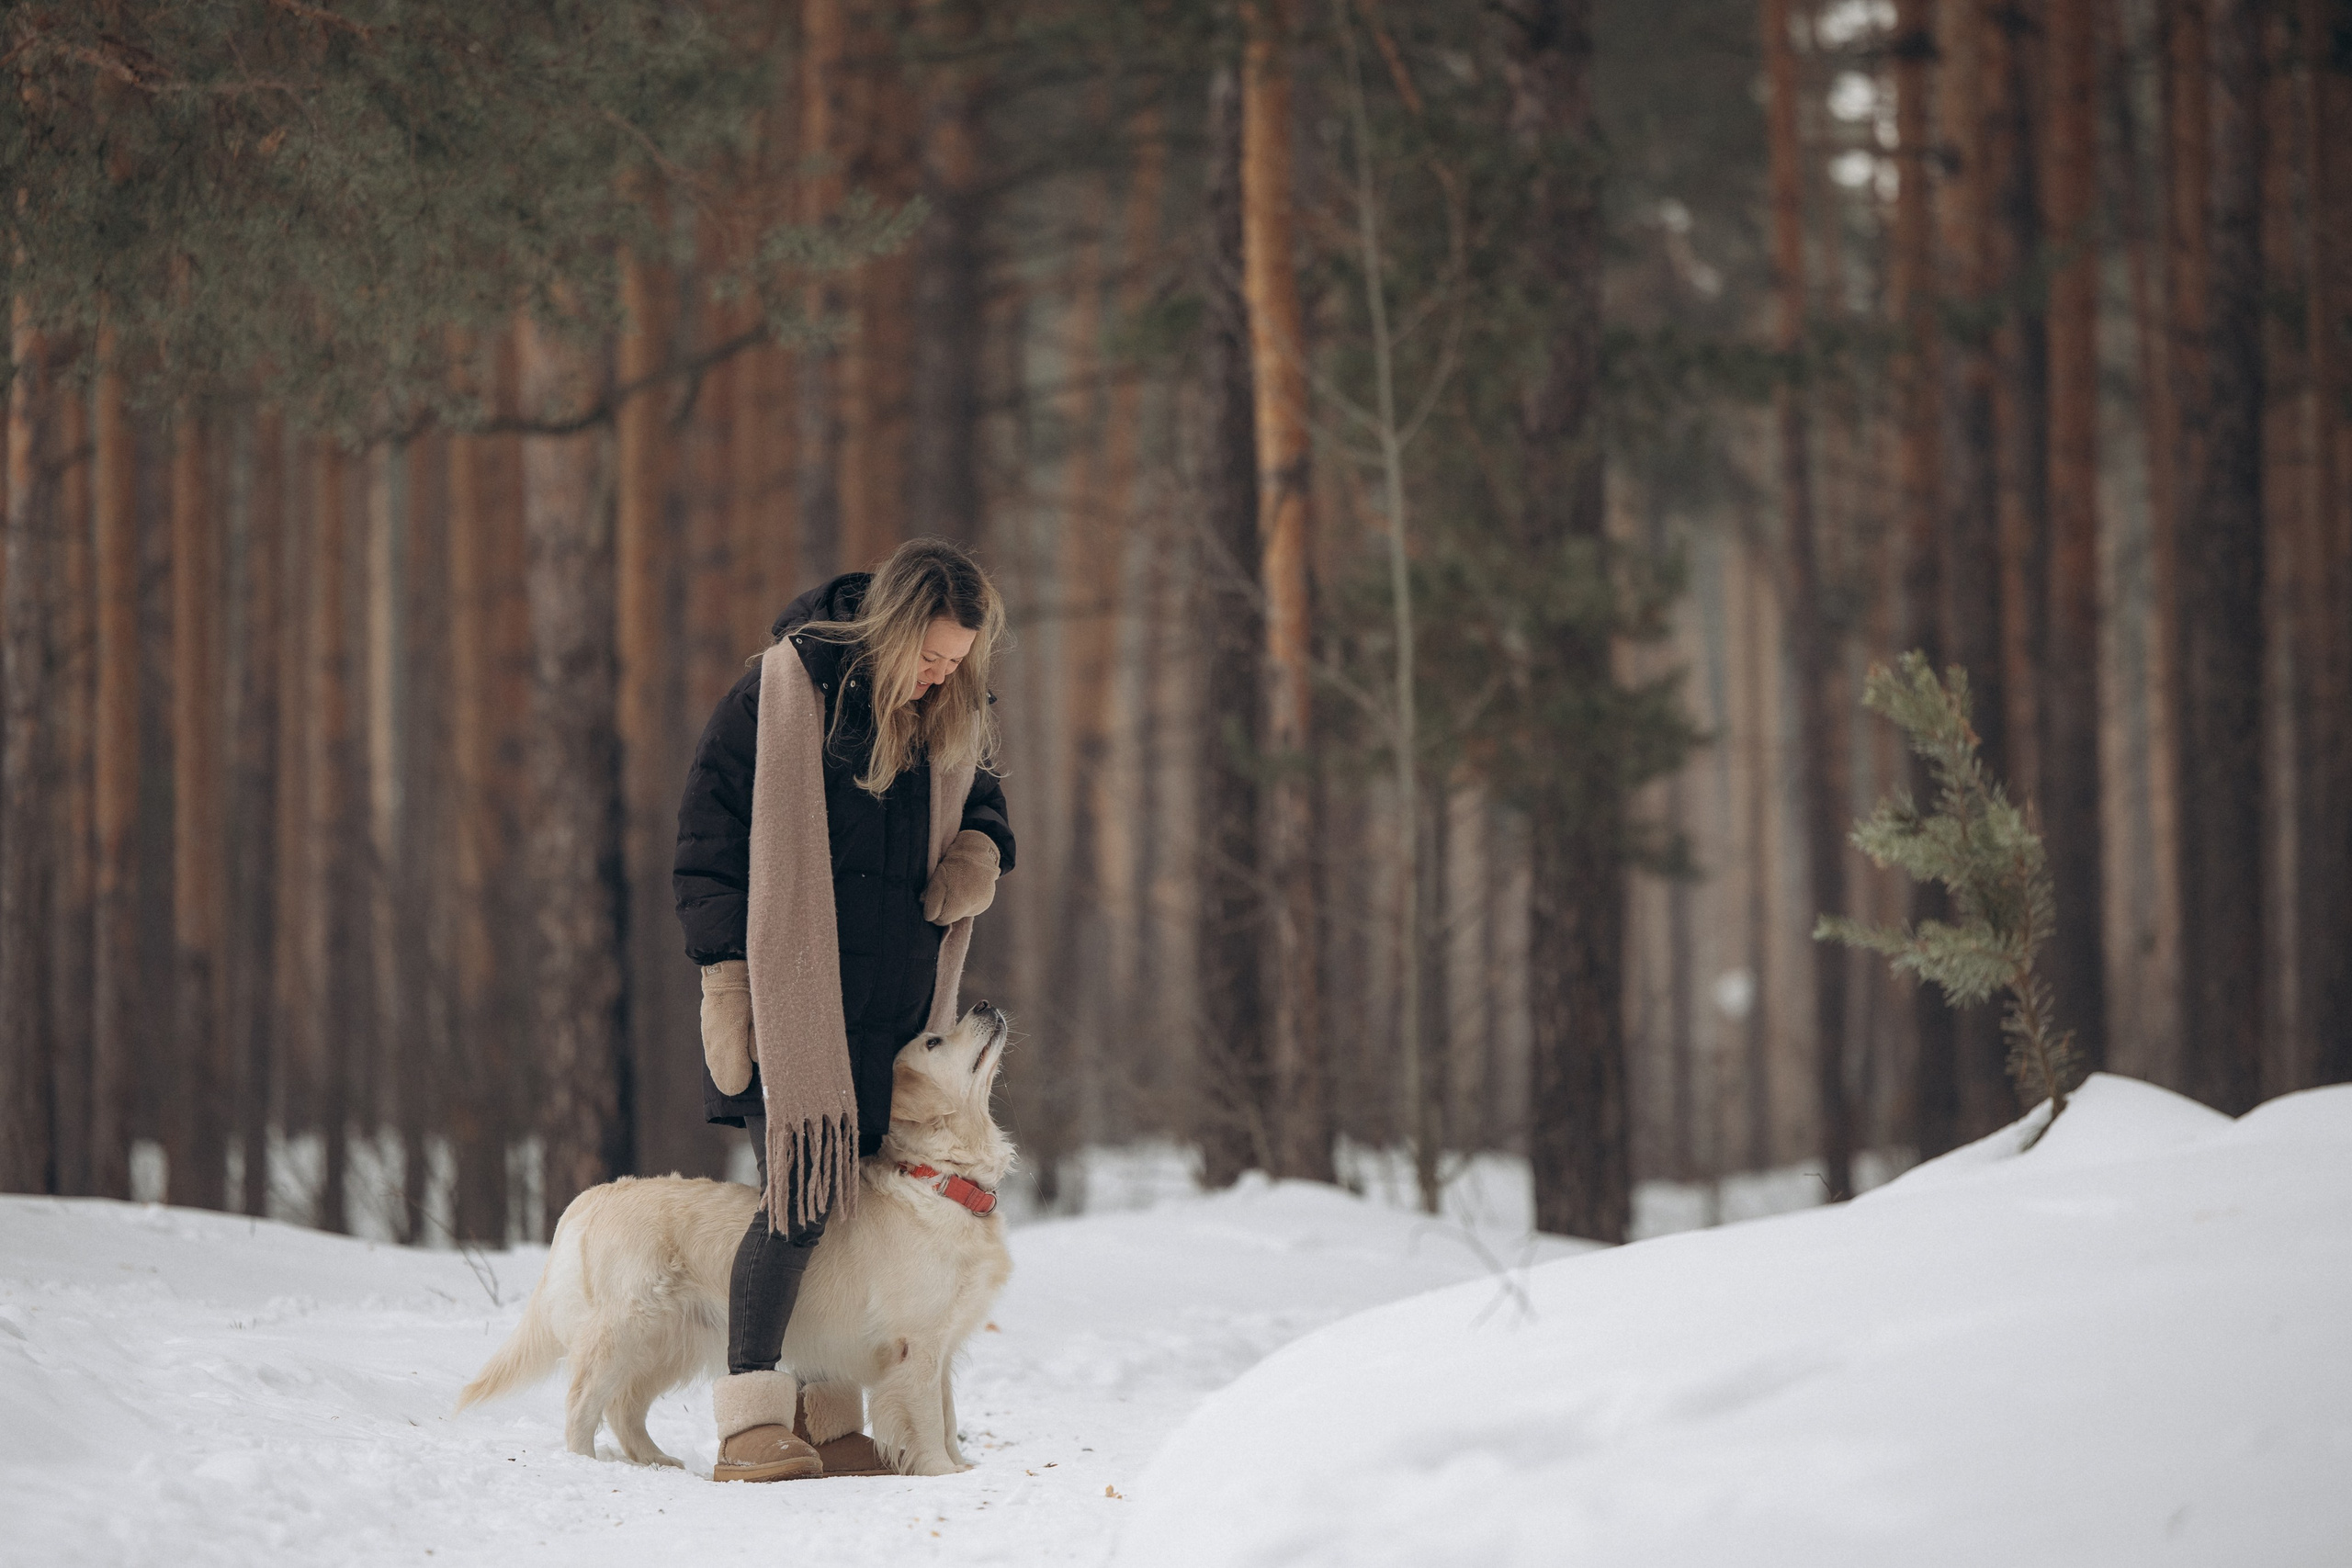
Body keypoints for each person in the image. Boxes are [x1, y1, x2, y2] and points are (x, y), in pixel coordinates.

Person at [672, 537, 1013, 1482]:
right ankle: (749, 1420)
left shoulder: (947, 710)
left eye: (958, 662)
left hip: (896, 1013)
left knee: (855, 1218)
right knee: (798, 1206)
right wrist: (724, 978)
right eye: (931, 656)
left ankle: (829, 1423)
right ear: (893, 630)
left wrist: (979, 853)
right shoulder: (782, 694)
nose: (942, 676)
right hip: (789, 1011)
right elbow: (707, 841)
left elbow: (985, 801)